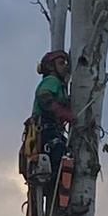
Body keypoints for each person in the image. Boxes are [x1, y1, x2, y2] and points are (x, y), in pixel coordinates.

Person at [32, 49, 73, 180]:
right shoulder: (52, 80)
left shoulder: (61, 87)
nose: (65, 67)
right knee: (60, 154)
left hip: (52, 131)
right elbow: (43, 96)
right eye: (61, 63)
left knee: (66, 152)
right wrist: (63, 112)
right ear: (51, 67)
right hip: (45, 130)